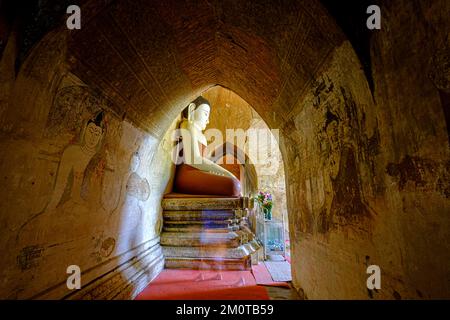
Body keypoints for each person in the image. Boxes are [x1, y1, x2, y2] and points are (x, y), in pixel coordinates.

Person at [173, 96, 241, 197]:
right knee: (234, 185)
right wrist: (228, 174)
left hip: (197, 173)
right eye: (205, 113)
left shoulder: (201, 135)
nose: (208, 120)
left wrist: (218, 174)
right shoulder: (188, 125)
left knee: (235, 185)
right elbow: (194, 159)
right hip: (186, 175)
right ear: (192, 109)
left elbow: (204, 161)